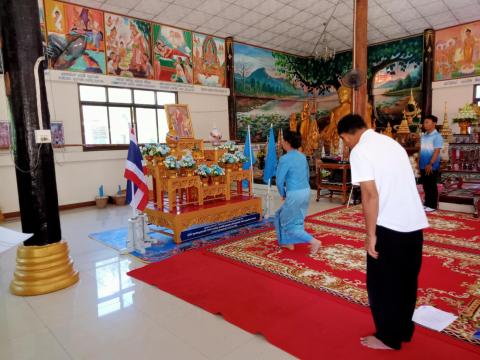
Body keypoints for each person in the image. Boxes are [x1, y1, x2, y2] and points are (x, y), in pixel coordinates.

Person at [337, 114, 428, 351]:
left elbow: (369, 195)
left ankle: (388, 337)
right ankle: (403, 330)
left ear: (347, 135)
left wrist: (371, 235)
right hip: (414, 223)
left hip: (389, 226)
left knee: (382, 285)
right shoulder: (391, 143)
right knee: (406, 282)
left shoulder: (359, 151)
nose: (347, 145)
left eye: (345, 141)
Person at [274, 131, 321, 254]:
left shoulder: (284, 159)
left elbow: (279, 181)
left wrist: (283, 194)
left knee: (287, 223)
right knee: (291, 218)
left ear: (287, 143)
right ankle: (288, 242)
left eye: (283, 140)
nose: (282, 143)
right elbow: (306, 175)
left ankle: (313, 241)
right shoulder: (302, 156)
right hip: (306, 191)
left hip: (294, 193)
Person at [419, 115, 443, 212]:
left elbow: (437, 151)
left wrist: (431, 164)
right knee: (425, 185)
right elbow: (421, 150)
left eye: (427, 122)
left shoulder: (437, 136)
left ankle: (432, 205)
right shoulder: (424, 136)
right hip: (423, 164)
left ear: (434, 123)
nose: (425, 124)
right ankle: (427, 203)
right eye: (424, 122)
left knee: (431, 185)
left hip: (431, 165)